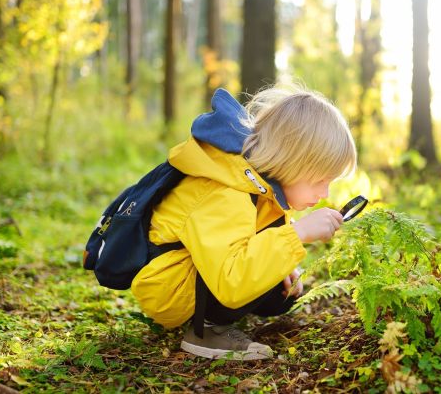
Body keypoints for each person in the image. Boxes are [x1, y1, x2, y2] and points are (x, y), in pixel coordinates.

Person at [131, 86, 356, 360]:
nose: (325, 194)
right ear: (290, 162)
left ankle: (215, 317)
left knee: (279, 294)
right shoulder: (226, 191)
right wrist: (297, 234)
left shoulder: (260, 186)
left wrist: (281, 263)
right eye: (319, 180)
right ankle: (206, 331)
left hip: (205, 271)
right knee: (260, 276)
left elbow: (256, 235)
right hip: (169, 288)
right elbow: (231, 278)